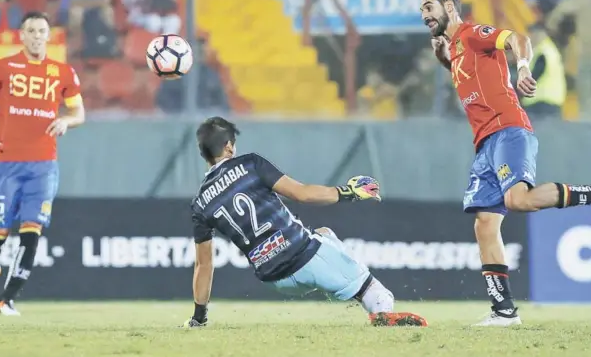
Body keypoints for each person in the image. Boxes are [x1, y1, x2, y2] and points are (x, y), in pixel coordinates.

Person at [420, 0, 591, 327]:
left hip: (508, 129)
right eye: (422, 10)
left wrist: (521, 67)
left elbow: (518, 39)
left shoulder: (474, 33)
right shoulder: (455, 48)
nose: (424, 15)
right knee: (486, 224)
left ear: (448, 7)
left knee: (518, 200)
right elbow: (470, 78)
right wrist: (443, 59)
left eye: (428, 7)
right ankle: (504, 312)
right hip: (485, 143)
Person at [183, 117, 427, 328]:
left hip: (275, 279)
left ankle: (340, 284)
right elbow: (302, 193)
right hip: (304, 255)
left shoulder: (200, 204)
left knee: (323, 233)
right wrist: (347, 192)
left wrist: (199, 317)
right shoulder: (250, 164)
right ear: (228, 146)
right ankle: (380, 311)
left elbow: (203, 266)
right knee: (376, 292)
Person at [0, 12, 86, 316]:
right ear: (22, 35)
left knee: (31, 229)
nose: (36, 35)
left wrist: (65, 122)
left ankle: (8, 299)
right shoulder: (2, 67)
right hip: (7, 163)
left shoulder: (63, 73)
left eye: (41, 30)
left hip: (44, 165)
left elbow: (79, 114)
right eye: (30, 30)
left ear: (49, 35)